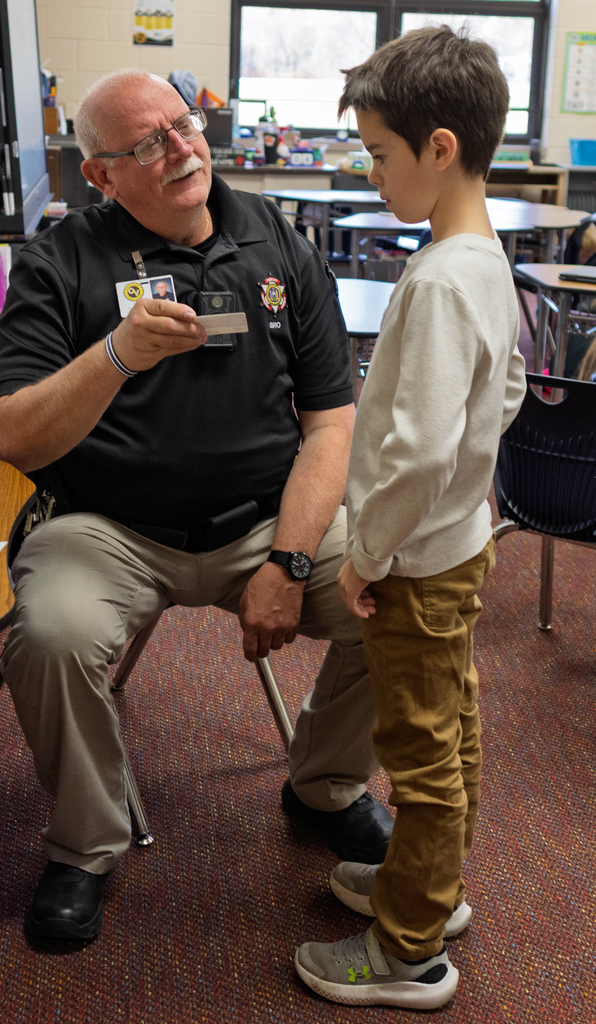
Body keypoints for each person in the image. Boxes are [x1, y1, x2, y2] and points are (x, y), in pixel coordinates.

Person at [0, 69, 393, 943]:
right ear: (99, 175)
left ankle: (323, 783)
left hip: (263, 518)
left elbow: (329, 425)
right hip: (109, 529)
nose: (181, 149)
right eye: (146, 144)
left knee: (395, 593)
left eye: (183, 125)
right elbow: (14, 436)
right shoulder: (58, 261)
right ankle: (84, 845)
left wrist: (288, 561)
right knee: (49, 633)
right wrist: (117, 357)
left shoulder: (275, 237)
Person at [294, 27, 527, 1009]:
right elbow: (505, 387)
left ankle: (407, 949)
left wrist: (367, 555)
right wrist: (462, 467)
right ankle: (428, 887)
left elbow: (416, 450)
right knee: (453, 723)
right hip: (458, 538)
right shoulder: (478, 256)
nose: (371, 174)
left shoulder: (435, 282)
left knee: (419, 750)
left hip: (414, 560)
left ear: (438, 149)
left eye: (378, 156)